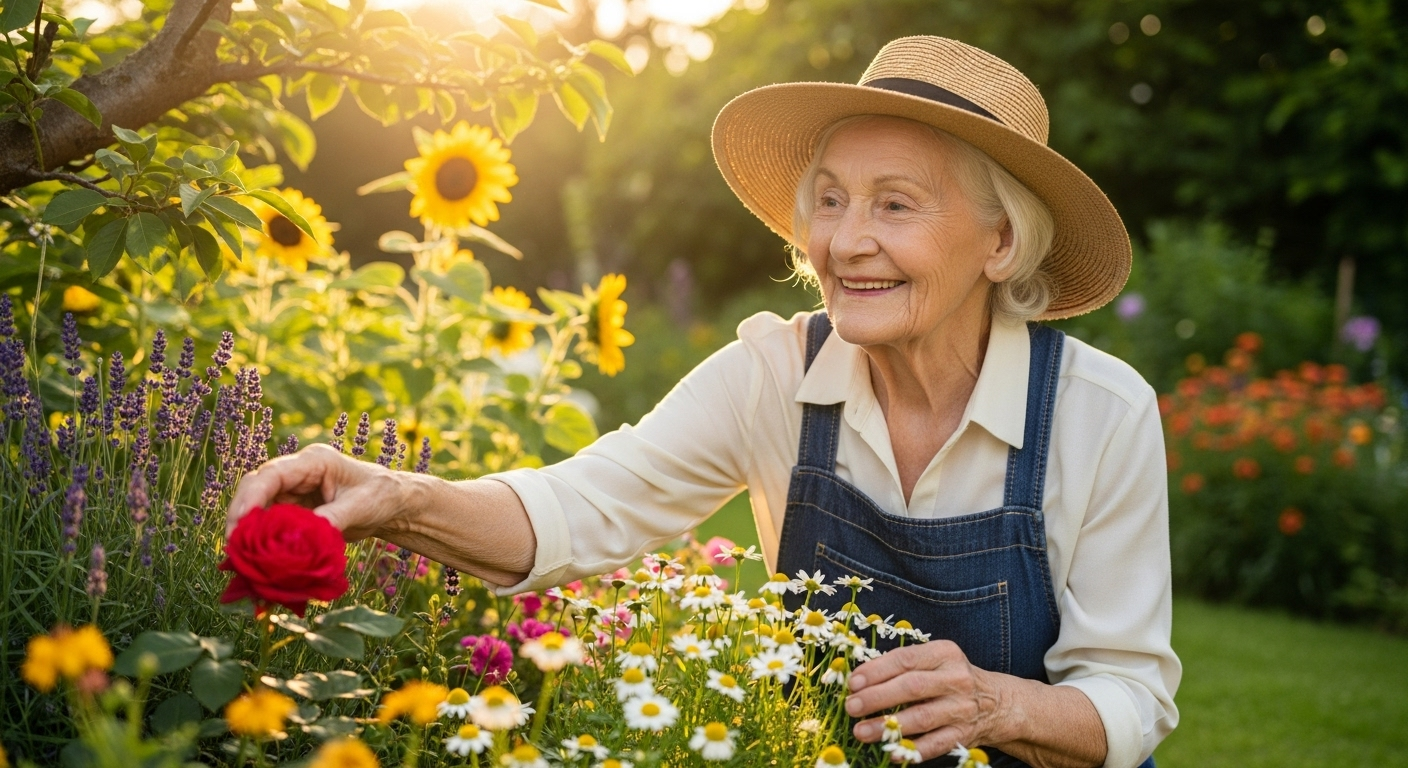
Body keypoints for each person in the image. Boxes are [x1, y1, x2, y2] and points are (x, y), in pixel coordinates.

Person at [228, 36, 1179, 768]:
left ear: (1002, 243)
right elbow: (580, 507)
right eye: (831, 200)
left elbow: (1131, 696)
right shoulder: (773, 375)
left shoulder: (1100, 415)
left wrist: (996, 704)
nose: (845, 242)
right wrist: (396, 497)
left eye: (895, 205)